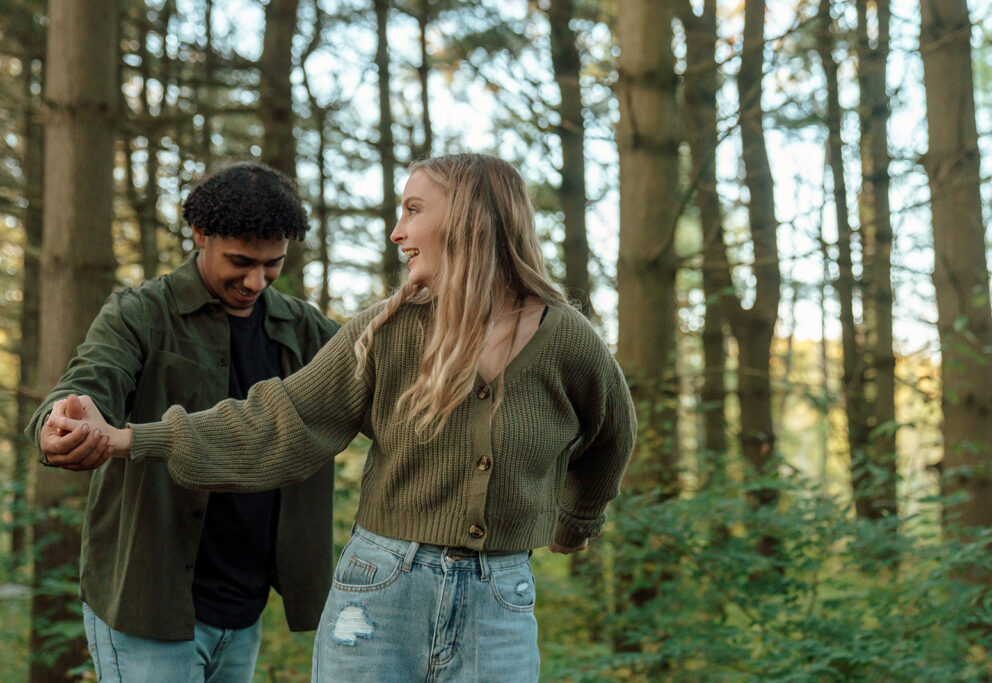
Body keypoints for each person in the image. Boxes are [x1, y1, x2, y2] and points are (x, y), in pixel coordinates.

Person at [48, 153, 637, 682]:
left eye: (412, 210)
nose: (396, 232)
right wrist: (120, 435)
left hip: (477, 595)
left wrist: (573, 519)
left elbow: (610, 434)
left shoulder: (563, 339)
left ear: (468, 220)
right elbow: (277, 420)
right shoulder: (379, 331)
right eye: (240, 262)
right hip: (312, 589)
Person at [30, 162, 341, 682]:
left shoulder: (305, 329)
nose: (255, 281)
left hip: (243, 608)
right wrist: (58, 422)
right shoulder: (140, 313)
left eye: (272, 265)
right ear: (200, 235)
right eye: (240, 262)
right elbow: (88, 382)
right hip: (148, 605)